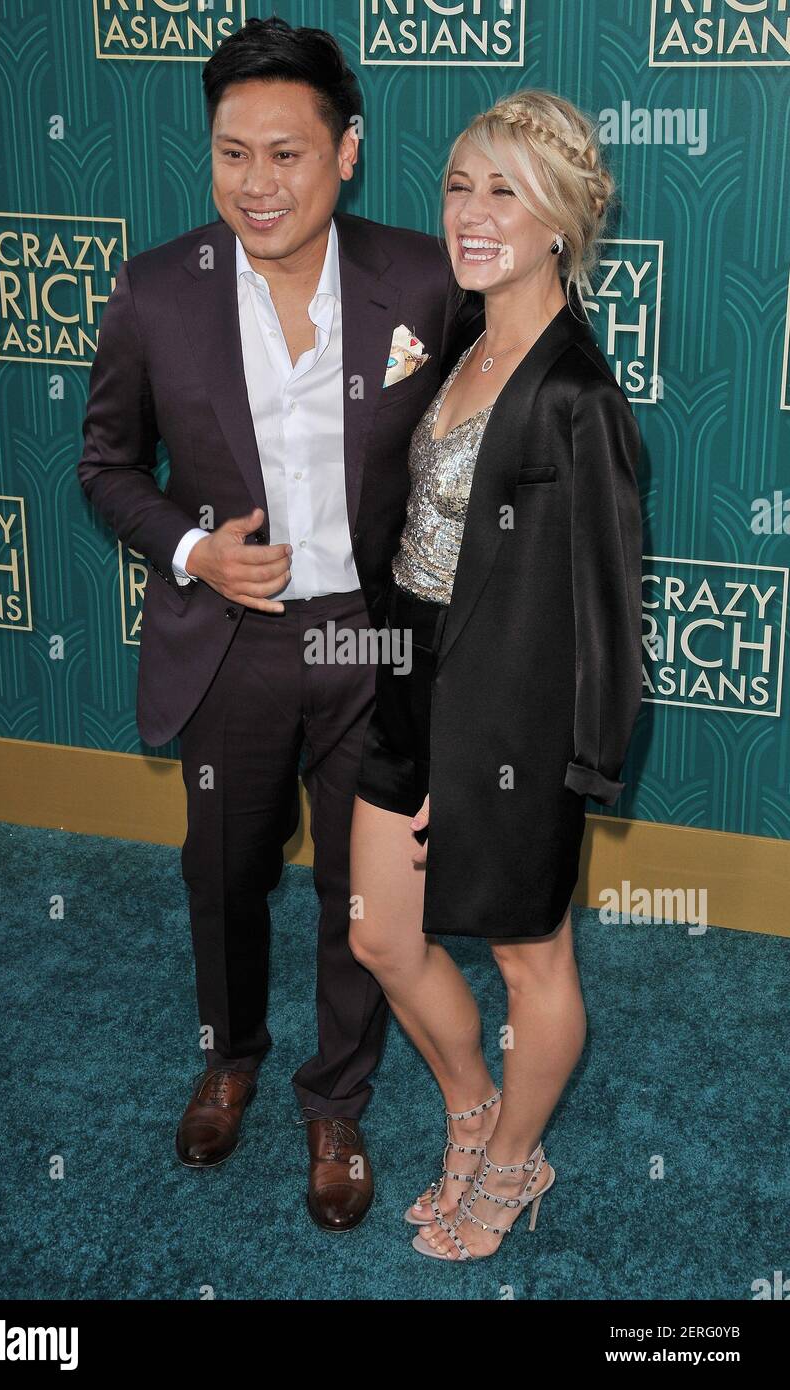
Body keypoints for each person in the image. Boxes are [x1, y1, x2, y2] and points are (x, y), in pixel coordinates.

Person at [77, 15, 480, 1231]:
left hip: (368, 639)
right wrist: (196, 550)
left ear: (346, 151)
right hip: (235, 643)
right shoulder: (156, 290)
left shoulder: (420, 278)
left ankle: (336, 1100)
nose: (257, 184)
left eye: (287, 154)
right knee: (223, 876)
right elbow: (106, 463)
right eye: (232, 153)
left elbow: (483, 438)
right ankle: (232, 1053)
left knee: (363, 899)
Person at [349, 90, 643, 1260]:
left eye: (503, 190)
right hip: (408, 675)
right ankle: (472, 1109)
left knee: (531, 955)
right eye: (460, 184)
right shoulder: (461, 342)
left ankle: (516, 1162)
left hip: (513, 710)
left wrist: (577, 762)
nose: (470, 213)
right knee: (379, 931)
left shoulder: (577, 395)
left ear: (559, 217)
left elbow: (607, 607)